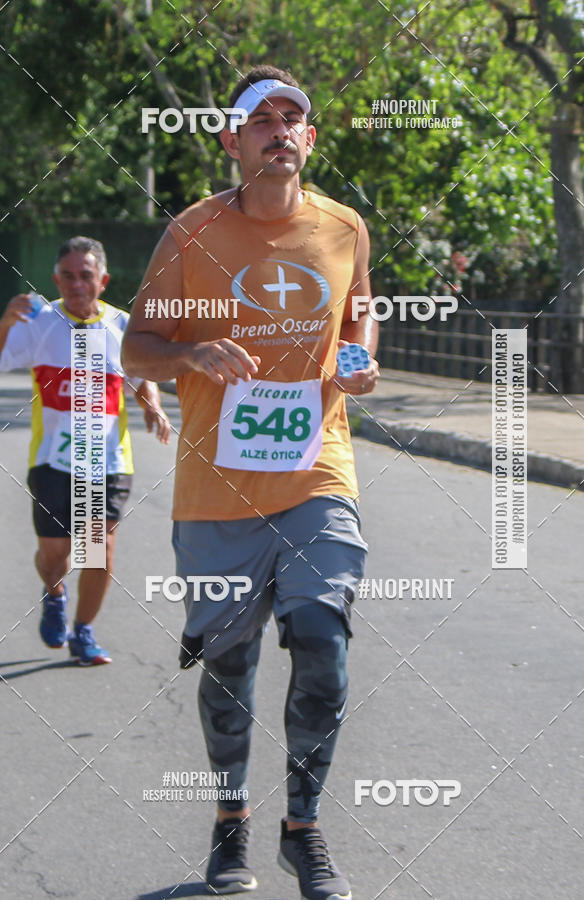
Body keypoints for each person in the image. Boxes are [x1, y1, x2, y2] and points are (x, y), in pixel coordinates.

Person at [122, 65, 379, 899]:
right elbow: (136, 349)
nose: (277, 130)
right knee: (228, 668)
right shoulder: (189, 235)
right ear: (231, 141)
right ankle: (229, 823)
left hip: (318, 473)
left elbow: (359, 311)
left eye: (291, 119)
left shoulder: (345, 229)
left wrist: (361, 354)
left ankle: (302, 829)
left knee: (324, 646)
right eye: (259, 119)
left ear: (309, 138)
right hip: (215, 490)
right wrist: (190, 354)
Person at [0, 236, 170, 665]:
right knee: (55, 554)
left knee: (98, 548)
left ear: (103, 280)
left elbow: (142, 373)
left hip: (105, 461)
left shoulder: (122, 326)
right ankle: (54, 591)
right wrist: (5, 323)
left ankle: (83, 632)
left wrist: (153, 406)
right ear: (56, 279)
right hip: (53, 460)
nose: (77, 284)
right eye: (68, 276)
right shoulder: (38, 323)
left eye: (86, 275)